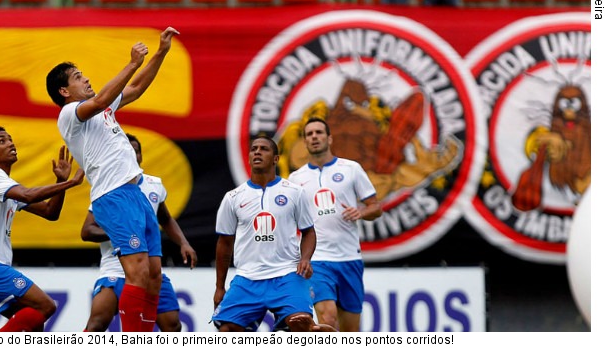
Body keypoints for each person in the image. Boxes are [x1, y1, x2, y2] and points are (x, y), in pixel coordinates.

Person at [45, 26, 179, 332]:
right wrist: (132, 63)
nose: (86, 78)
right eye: (78, 77)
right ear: (65, 91)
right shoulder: (69, 114)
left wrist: (160, 53)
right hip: (113, 196)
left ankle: (143, 334)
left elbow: (135, 89)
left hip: (136, 194)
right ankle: (134, 338)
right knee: (137, 273)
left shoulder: (102, 109)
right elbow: (106, 97)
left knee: (155, 273)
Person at [0, 125, 85, 332]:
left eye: (10, 139)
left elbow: (50, 212)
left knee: (33, 321)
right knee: (45, 306)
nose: (11, 143)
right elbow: (28, 195)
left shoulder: (6, 185)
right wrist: (70, 183)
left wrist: (60, 180)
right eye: (2, 140)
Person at [81, 133, 198, 332]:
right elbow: (87, 231)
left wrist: (184, 243)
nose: (132, 155)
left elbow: (166, 218)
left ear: (141, 157)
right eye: (127, 150)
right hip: (115, 269)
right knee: (97, 325)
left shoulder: (154, 185)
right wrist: (123, 234)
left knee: (172, 325)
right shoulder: (108, 189)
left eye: (136, 151)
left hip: (150, 270)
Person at [212, 136, 319, 332]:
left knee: (301, 325)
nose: (257, 152)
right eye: (254, 149)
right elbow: (224, 243)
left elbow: (309, 232)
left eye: (264, 149)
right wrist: (220, 287)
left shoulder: (295, 192)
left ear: (276, 159)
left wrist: (305, 259)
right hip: (247, 277)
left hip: (287, 274)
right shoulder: (233, 198)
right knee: (226, 330)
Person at [287, 117, 383, 332]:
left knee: (350, 332)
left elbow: (376, 208)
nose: (314, 137)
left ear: (329, 138)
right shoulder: (295, 179)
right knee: (327, 319)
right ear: (305, 141)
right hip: (317, 260)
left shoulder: (351, 169)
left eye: (319, 132)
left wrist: (361, 211)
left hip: (349, 258)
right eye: (309, 134)